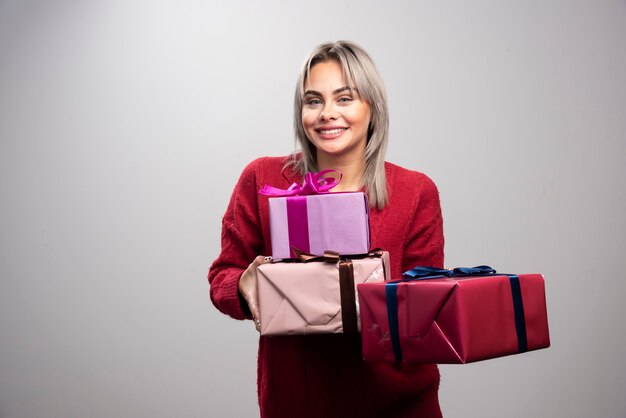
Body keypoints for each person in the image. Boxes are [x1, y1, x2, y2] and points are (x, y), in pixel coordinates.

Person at [208, 40, 445, 418]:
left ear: (373, 108)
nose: (326, 114)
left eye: (345, 99)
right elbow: (222, 276)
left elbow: (427, 307)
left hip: (398, 404)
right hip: (297, 403)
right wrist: (244, 285)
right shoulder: (263, 179)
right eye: (313, 100)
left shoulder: (415, 191)